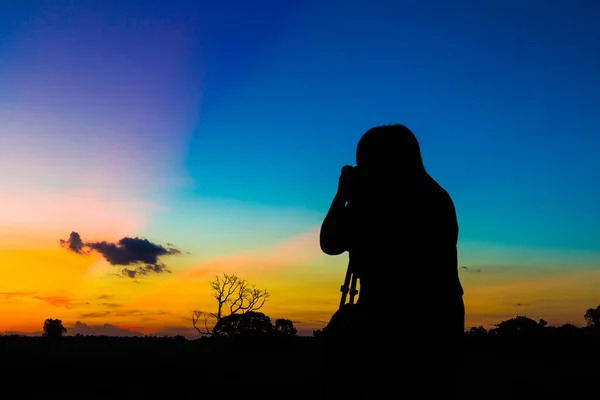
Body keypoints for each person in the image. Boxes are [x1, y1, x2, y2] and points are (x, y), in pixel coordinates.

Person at [319, 124, 464, 398]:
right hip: (440, 322)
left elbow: (330, 243)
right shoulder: (435, 196)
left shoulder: (388, 201)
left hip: (395, 325)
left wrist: (342, 196)